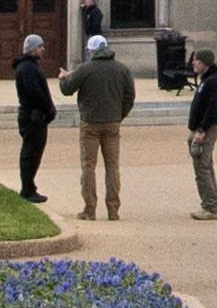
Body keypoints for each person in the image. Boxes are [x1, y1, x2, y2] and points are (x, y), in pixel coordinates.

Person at [67, 30, 137, 221]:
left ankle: (90, 209)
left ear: (91, 51)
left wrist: (64, 78)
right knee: (112, 166)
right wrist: (119, 115)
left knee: (88, 166)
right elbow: (130, 97)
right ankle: (113, 210)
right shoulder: (122, 69)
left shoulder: (85, 69)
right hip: (113, 122)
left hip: (90, 122)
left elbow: (67, 90)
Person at [188, 45, 217, 219]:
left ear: (204, 63)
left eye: (196, 60)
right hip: (198, 129)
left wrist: (202, 130)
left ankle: (210, 206)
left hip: (204, 131)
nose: (193, 63)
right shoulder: (206, 80)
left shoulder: (214, 82)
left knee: (203, 168)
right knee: (203, 167)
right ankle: (209, 204)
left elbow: (214, 108)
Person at [11, 39, 56, 203]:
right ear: (31, 50)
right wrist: (49, 108)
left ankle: (30, 186)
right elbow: (35, 93)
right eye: (40, 47)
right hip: (32, 116)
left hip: (33, 115)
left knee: (33, 152)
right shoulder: (28, 68)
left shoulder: (29, 66)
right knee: (31, 153)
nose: (43, 49)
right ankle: (27, 189)